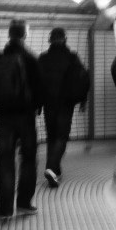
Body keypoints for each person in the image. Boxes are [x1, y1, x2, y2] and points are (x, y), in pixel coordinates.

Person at [0, 19, 46, 220]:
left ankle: (5, 210)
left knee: (5, 160)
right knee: (27, 160)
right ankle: (24, 204)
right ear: (25, 35)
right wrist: (35, 106)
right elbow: (41, 90)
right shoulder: (31, 59)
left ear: (9, 35)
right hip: (26, 117)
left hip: (3, 117)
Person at [37, 27, 88, 187]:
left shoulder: (43, 58)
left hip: (48, 104)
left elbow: (35, 83)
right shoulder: (72, 57)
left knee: (52, 136)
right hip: (66, 104)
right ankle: (51, 168)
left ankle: (55, 170)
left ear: (50, 40)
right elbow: (83, 79)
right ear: (65, 39)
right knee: (62, 137)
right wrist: (83, 100)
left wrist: (37, 104)